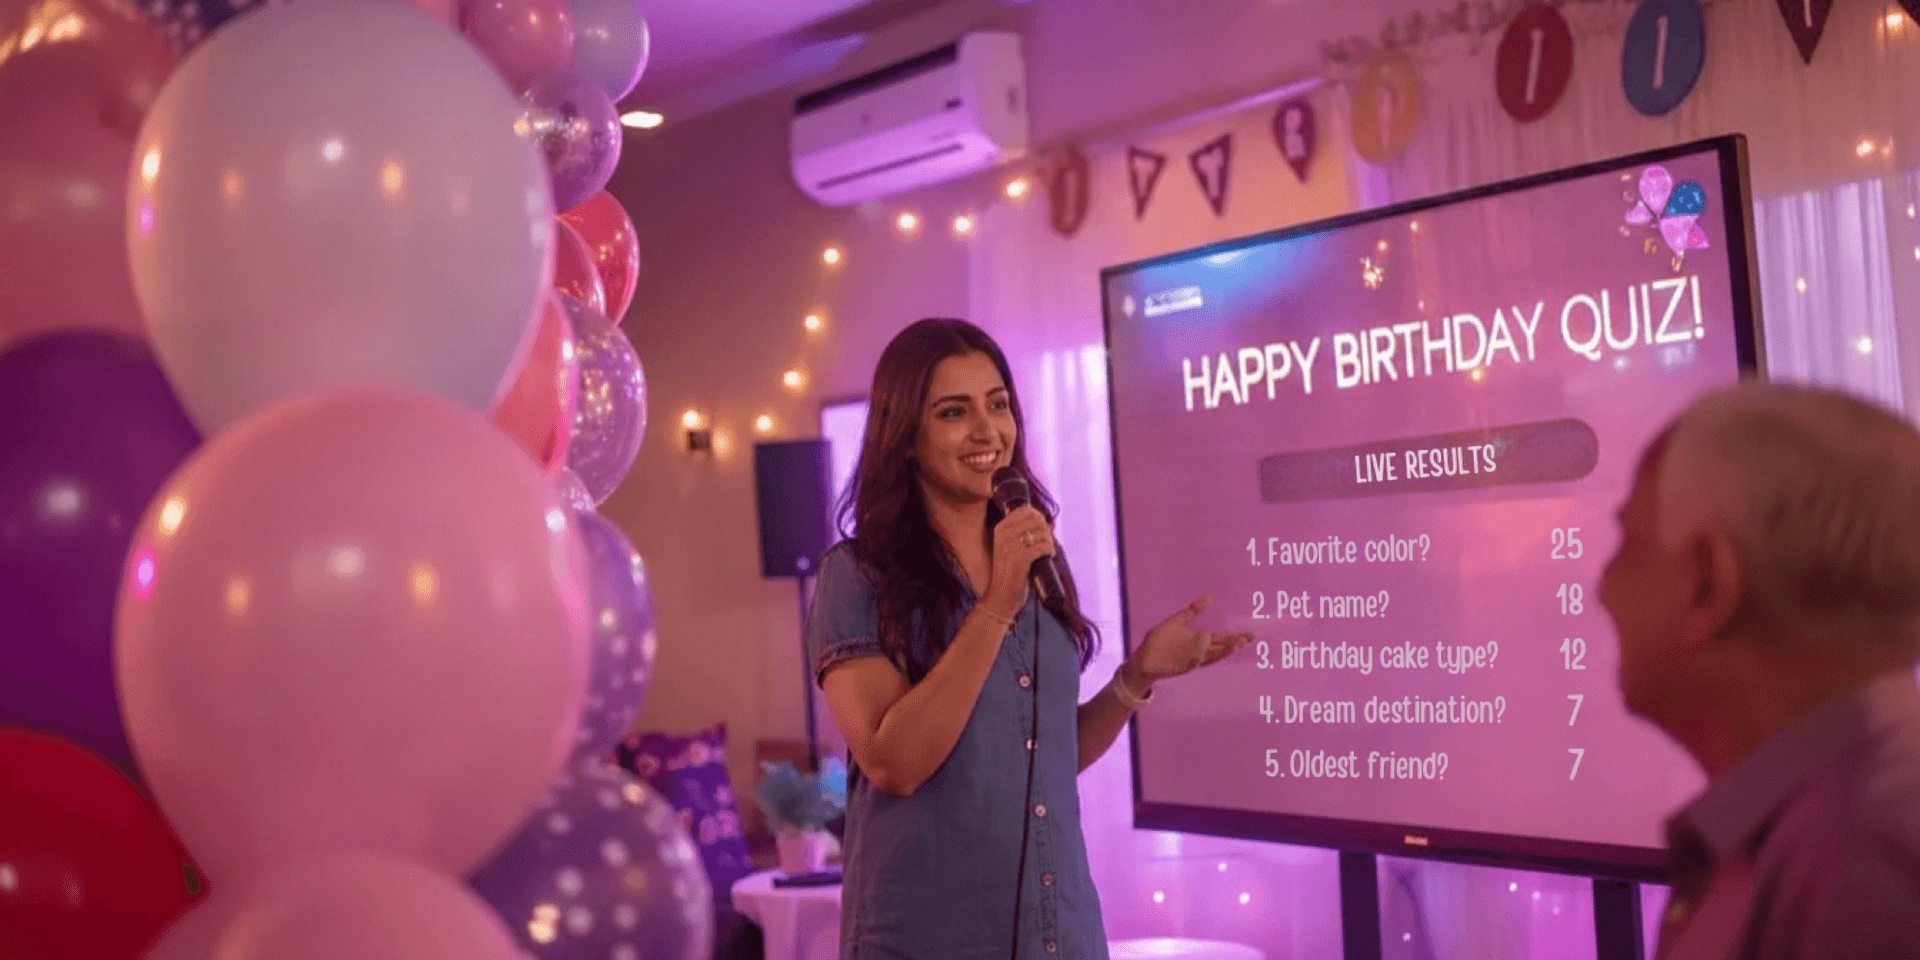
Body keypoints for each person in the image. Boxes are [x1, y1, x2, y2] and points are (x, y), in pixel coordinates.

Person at [805, 318, 1249, 960]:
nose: (989, 432)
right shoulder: (857, 574)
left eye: (998, 405)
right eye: (954, 412)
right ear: (905, 436)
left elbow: (1038, 756)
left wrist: (1136, 677)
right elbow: (894, 764)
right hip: (930, 939)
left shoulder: (1034, 552)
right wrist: (994, 607)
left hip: (1058, 934)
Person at [1598, 382, 1920, 959]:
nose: (1601, 591)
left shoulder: (1860, 860)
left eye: (1628, 544)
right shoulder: (1822, 825)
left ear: (1707, 583)